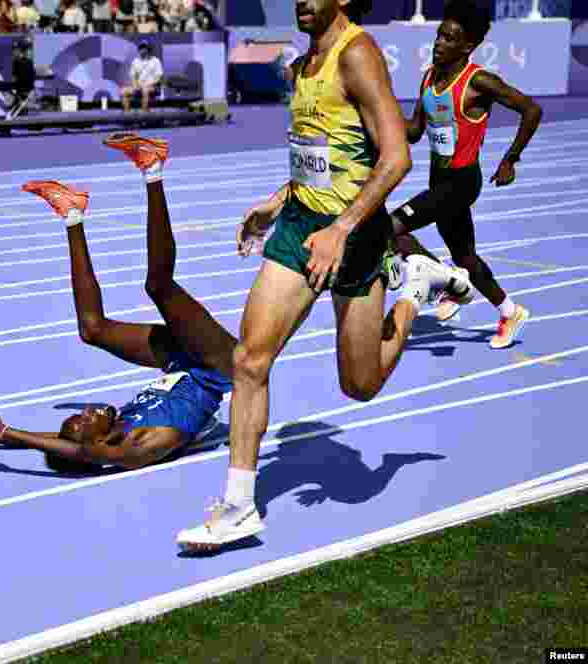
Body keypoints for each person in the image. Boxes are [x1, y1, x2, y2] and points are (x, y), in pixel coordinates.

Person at [176, 0, 474, 552]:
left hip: (354, 236)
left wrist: (341, 229)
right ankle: (239, 506)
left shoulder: (356, 55)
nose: (301, 3)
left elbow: (395, 159)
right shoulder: (302, 62)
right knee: (249, 359)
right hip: (298, 226)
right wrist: (278, 200)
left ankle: (410, 289)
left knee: (358, 386)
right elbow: (319, 154)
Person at [0, 133, 234, 472]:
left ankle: (71, 213)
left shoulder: (110, 427)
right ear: (96, 443)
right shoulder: (143, 441)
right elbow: (85, 454)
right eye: (83, 421)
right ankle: (152, 167)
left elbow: (58, 442)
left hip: (177, 359)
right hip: (216, 362)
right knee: (158, 285)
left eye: (78, 416)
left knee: (92, 330)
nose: (87, 411)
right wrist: (6, 430)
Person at [384, 0, 541, 348]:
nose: (439, 43)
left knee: (389, 228)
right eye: (439, 35)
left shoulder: (479, 81)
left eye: (449, 39)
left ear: (467, 45)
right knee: (464, 256)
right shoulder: (430, 77)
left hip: (462, 182)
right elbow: (414, 132)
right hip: (438, 180)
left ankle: (449, 283)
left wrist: (510, 159)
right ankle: (510, 310)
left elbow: (532, 109)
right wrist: (381, 116)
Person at [122, 41, 164, 113]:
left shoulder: (155, 61)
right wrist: (135, 85)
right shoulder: (135, 61)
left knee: (145, 90)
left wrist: (148, 85)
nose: (142, 50)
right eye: (141, 48)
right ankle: (127, 114)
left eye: (144, 48)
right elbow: (132, 76)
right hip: (139, 86)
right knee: (124, 91)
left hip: (153, 87)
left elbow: (159, 77)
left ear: (148, 49)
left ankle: (143, 114)